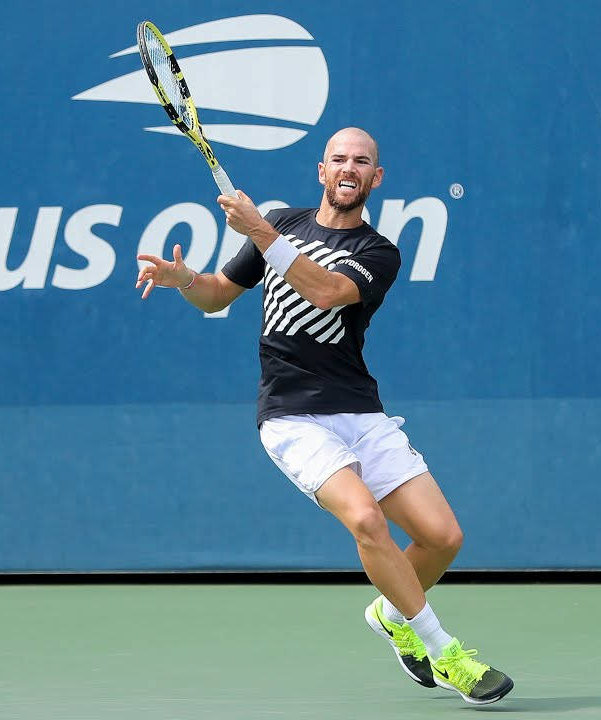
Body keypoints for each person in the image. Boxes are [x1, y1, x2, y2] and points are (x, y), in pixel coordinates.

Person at [135, 127, 513, 705]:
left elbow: (328, 293)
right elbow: (215, 294)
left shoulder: (378, 252)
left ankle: (392, 615)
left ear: (375, 178)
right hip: (291, 417)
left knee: (442, 537)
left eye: (361, 162)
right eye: (339, 158)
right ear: (321, 170)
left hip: (359, 412)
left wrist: (259, 230)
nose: (349, 168)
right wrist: (180, 278)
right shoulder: (285, 223)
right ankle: (446, 652)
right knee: (365, 520)